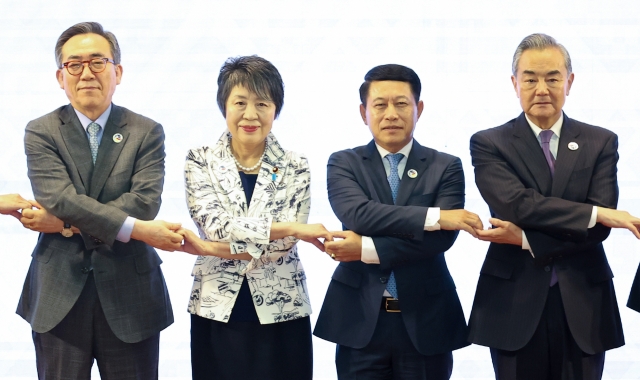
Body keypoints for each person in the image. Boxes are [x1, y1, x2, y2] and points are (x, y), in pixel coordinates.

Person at [469, 33, 640, 380]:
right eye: (530, 79)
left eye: (553, 78)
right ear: (515, 83)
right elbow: (517, 205)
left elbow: (599, 229)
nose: (542, 88)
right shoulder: (489, 143)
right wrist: (592, 212)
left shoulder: (601, 141)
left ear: (569, 82)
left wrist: (525, 239)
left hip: (584, 303)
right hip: (512, 303)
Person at [17, 22, 183, 379]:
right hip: (59, 293)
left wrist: (62, 224)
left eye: (98, 62)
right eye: (74, 64)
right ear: (60, 77)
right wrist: (132, 229)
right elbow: (57, 197)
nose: (86, 73)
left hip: (131, 294)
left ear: (117, 72)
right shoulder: (41, 130)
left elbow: (143, 203)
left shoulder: (146, 131)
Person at [313, 64, 484, 380]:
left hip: (426, 321)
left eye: (401, 104)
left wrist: (364, 248)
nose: (391, 113)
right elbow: (358, 215)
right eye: (380, 105)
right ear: (364, 112)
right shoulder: (344, 162)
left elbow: (440, 240)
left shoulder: (445, 166)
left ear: (418, 109)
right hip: (360, 320)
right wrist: (435, 217)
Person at [179, 55, 332, 380]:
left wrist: (206, 249)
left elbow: (285, 244)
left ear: (275, 109)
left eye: (262, 103)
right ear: (225, 107)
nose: (251, 114)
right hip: (216, 309)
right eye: (240, 103)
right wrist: (292, 227)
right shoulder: (200, 159)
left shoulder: (295, 165)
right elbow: (216, 227)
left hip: (283, 310)